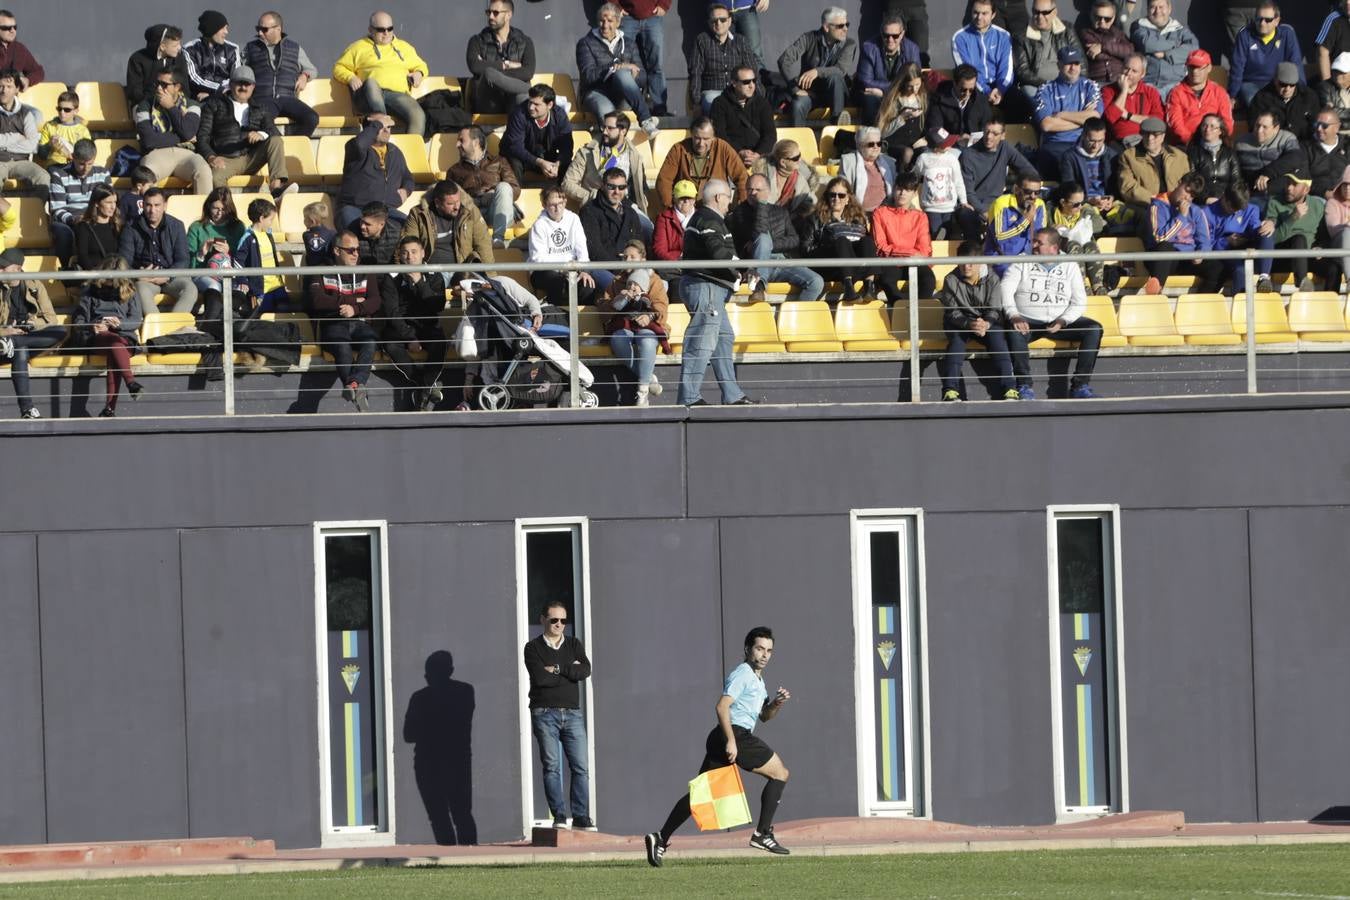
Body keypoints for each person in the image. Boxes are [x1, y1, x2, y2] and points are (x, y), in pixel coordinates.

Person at [644, 625, 791, 867]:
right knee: (780, 773)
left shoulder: (758, 679)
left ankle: (659, 838)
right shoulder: (743, 673)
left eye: (769, 651)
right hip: (734, 736)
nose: (764, 654)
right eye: (759, 649)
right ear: (747, 649)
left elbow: (764, 716)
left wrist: (776, 703)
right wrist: (732, 740)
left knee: (700, 795)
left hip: (724, 737)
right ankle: (762, 834)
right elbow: (722, 706)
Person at [1001, 227, 1103, 399]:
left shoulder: (1070, 264)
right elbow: (1005, 290)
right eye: (1033, 241)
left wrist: (1064, 320)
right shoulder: (1021, 261)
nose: (1033, 245)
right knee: (1013, 330)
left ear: (1054, 248)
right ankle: (1024, 386)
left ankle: (1080, 386)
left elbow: (1080, 302)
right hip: (1027, 321)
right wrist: (1014, 315)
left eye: (1039, 243)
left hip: (1059, 323)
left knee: (1094, 329)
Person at [679, 179, 751, 406]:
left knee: (723, 337)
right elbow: (717, 252)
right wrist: (741, 267)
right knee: (702, 341)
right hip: (705, 287)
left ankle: (732, 395)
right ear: (719, 198)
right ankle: (688, 398)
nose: (730, 203)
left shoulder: (707, 219)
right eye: (728, 197)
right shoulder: (708, 219)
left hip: (711, 289)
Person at [523, 601, 593, 830]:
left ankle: (581, 816)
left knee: (581, 766)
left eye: (563, 620)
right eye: (554, 620)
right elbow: (541, 680)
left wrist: (557, 668)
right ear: (543, 619)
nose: (559, 624)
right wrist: (569, 671)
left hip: (572, 713)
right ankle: (560, 816)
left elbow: (585, 670)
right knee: (552, 766)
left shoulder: (574, 644)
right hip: (544, 713)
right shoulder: (532, 648)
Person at [309, 230, 382, 411]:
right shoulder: (320, 269)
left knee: (371, 341)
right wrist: (351, 301)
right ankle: (357, 388)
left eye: (357, 249)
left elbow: (375, 301)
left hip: (359, 322)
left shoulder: (365, 270)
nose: (356, 254)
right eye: (350, 250)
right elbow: (316, 301)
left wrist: (356, 309)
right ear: (336, 251)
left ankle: (353, 385)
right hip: (333, 323)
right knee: (342, 347)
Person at [377, 235, 451, 411]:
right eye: (405, 253)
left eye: (414, 252)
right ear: (400, 256)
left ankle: (421, 392)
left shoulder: (434, 274)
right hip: (402, 327)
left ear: (423, 253)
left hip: (427, 326)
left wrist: (419, 282)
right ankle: (424, 386)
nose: (409, 257)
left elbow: (437, 305)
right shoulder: (391, 277)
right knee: (391, 345)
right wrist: (409, 337)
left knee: (440, 344)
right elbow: (392, 312)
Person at [937, 240, 1016, 401]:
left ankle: (1010, 389)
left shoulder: (993, 278)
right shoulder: (950, 280)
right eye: (963, 262)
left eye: (972, 263)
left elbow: (995, 308)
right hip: (960, 323)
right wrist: (969, 324)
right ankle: (950, 391)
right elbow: (953, 313)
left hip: (986, 322)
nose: (967, 267)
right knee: (956, 343)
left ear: (980, 263)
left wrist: (985, 323)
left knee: (998, 340)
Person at [195, 66, 293, 196]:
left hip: (251, 157)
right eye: (239, 83)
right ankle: (228, 210)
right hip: (225, 159)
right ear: (231, 84)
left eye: (247, 84)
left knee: (275, 141)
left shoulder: (260, 108)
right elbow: (202, 136)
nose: (243, 88)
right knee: (215, 176)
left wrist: (261, 134)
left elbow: (274, 132)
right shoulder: (214, 105)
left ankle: (276, 190)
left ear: (253, 87)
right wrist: (211, 157)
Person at [727, 173, 824, 303]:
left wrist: (771, 244)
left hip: (780, 262)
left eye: (758, 190)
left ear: (768, 191)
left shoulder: (780, 211)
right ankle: (759, 287)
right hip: (753, 264)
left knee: (816, 282)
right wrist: (761, 205)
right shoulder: (738, 213)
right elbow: (759, 231)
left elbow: (794, 240)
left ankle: (796, 318)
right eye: (749, 189)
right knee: (763, 238)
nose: (753, 193)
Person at [332, 11, 429, 137]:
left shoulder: (405, 48)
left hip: (396, 96)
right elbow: (338, 67)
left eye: (390, 29)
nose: (386, 33)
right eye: (381, 30)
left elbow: (422, 66)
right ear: (370, 30)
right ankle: (381, 135)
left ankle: (409, 152)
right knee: (372, 83)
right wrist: (350, 77)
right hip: (367, 95)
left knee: (418, 115)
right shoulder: (358, 47)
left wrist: (419, 74)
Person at [73, 256, 145, 417]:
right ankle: (130, 383)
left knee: (115, 349)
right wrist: (92, 326)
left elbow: (136, 320)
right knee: (114, 344)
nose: (110, 284)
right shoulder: (89, 291)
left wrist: (119, 324)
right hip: (99, 336)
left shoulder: (131, 291)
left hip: (123, 336)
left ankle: (109, 410)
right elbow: (78, 320)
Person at [575, 3, 660, 138]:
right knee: (609, 114)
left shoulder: (629, 43)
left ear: (618, 22)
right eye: (602, 20)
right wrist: (614, 67)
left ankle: (645, 121)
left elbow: (643, 78)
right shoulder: (585, 43)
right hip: (596, 93)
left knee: (622, 74)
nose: (605, 25)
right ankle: (614, 152)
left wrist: (633, 75)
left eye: (610, 21)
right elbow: (588, 76)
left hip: (622, 95)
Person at [595, 254, 668, 405]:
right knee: (618, 339)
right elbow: (605, 308)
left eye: (637, 285)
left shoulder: (649, 291)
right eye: (630, 284)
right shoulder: (617, 286)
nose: (633, 287)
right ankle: (647, 378)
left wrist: (649, 316)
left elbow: (659, 308)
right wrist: (619, 300)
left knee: (648, 341)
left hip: (646, 327)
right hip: (624, 326)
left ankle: (642, 393)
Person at [0, 248, 64, 419]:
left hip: (25, 338)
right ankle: (27, 410)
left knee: (60, 331)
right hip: (2, 343)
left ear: (17, 269)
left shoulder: (34, 284)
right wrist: (5, 331)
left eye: (3, 267)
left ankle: (14, 343)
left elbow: (51, 319)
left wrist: (33, 324)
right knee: (20, 351)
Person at [958, 113, 1038, 240]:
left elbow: (1029, 171)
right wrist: (984, 212)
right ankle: (976, 253)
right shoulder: (968, 155)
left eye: (995, 134)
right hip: (975, 206)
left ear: (1003, 136)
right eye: (987, 132)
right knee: (965, 215)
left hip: (1000, 204)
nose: (989, 137)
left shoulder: (1005, 148)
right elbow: (968, 192)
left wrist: (1019, 189)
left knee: (1033, 204)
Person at [1141, 172, 1223, 295]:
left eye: (1192, 195)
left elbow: (1205, 240)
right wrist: (1181, 217)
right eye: (1187, 190)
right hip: (1161, 258)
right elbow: (1159, 237)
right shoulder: (1158, 206)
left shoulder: (1196, 211)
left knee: (1218, 268)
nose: (1187, 197)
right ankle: (1156, 292)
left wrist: (1200, 254)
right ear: (1179, 183)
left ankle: (1199, 303)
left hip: (1186, 259)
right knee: (1165, 247)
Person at [132, 71, 213, 196]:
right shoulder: (144, 106)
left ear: (177, 87)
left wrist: (171, 107)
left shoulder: (192, 105)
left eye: (164, 85)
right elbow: (149, 141)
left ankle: (205, 214)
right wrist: (181, 138)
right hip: (156, 154)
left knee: (204, 171)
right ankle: (150, 213)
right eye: (157, 83)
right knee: (145, 176)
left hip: (186, 154)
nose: (159, 88)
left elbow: (188, 131)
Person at [118, 188, 196, 314]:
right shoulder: (130, 227)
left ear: (165, 205)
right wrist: (139, 274)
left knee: (190, 289)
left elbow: (183, 259)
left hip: (171, 277)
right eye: (148, 205)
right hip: (144, 279)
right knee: (141, 291)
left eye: (157, 205)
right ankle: (158, 328)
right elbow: (124, 260)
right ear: (142, 205)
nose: (152, 210)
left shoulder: (177, 225)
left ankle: (173, 328)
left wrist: (167, 275)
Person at [243, 10, 320, 138]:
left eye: (264, 29)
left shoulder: (294, 48)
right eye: (258, 28)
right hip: (262, 98)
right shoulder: (251, 48)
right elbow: (241, 70)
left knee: (312, 118)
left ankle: (294, 146)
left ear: (278, 29)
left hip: (287, 98)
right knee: (262, 119)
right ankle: (281, 147)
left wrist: (304, 76)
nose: (259, 33)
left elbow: (312, 70)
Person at [778, 7, 859, 126]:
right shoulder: (808, 38)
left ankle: (838, 122)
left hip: (837, 95)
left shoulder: (849, 44)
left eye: (847, 24)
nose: (845, 29)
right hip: (812, 93)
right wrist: (795, 89)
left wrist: (817, 71)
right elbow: (784, 60)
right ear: (826, 27)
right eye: (840, 26)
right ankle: (797, 141)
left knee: (835, 77)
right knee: (798, 104)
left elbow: (841, 70)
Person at [562, 111, 650, 218]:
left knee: (648, 228)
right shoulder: (586, 152)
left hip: (626, 208)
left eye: (610, 128)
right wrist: (590, 196)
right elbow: (567, 183)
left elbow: (642, 188)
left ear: (623, 131)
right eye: (604, 127)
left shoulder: (635, 156)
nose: (604, 131)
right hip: (596, 208)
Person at [1033, 46, 1104, 177]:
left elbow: (1095, 117)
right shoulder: (1045, 89)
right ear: (1059, 65)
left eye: (1076, 63)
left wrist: (1062, 115)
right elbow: (1047, 125)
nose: (1073, 68)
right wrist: (1083, 122)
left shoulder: (1090, 86)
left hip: (1085, 143)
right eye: (1068, 63)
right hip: (1056, 144)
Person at [335, 114, 413, 232]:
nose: (386, 130)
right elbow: (360, 143)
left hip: (385, 210)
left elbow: (408, 177)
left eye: (389, 126)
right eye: (381, 126)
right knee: (357, 230)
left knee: (410, 228)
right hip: (356, 209)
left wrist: (406, 191)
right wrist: (378, 123)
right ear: (370, 129)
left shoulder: (395, 151)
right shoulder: (355, 147)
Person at [448, 125, 521, 249]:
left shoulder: (499, 162)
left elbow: (515, 189)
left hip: (499, 211)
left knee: (504, 187)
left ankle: (498, 239)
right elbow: (450, 199)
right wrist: (478, 199)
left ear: (475, 142)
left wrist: (494, 195)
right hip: (474, 214)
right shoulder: (454, 171)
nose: (457, 145)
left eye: (461, 140)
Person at [806, 176, 878, 301]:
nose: (836, 199)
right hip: (831, 265)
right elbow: (806, 248)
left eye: (841, 195)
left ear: (848, 198)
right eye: (832, 195)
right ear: (827, 197)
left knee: (867, 241)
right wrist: (828, 246)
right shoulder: (816, 218)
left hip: (856, 265)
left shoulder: (859, 218)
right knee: (842, 241)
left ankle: (869, 287)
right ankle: (848, 288)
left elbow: (865, 248)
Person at [871, 173, 936, 305]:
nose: (902, 193)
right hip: (891, 262)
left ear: (914, 193)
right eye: (899, 188)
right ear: (894, 189)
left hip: (915, 262)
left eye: (908, 190)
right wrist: (910, 253)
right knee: (887, 280)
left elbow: (925, 248)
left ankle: (918, 313)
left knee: (929, 280)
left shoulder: (920, 216)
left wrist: (915, 256)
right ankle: (900, 313)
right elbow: (880, 246)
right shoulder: (880, 213)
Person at [527, 186, 597, 308]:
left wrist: (584, 270)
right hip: (543, 271)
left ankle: (583, 322)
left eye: (560, 203)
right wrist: (564, 267)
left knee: (587, 285)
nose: (557, 208)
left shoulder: (574, 219)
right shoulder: (539, 225)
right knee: (559, 283)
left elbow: (581, 248)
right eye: (552, 205)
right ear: (544, 205)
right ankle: (558, 317)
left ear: (565, 202)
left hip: (572, 268)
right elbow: (537, 259)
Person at [656, 117, 749, 209]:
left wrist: (742, 206)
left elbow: (742, 176)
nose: (701, 143)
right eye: (697, 138)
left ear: (713, 137)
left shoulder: (723, 148)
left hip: (715, 208)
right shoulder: (678, 149)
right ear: (691, 134)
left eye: (706, 139)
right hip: (685, 208)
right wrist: (670, 208)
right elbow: (664, 180)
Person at [1255, 173, 1325, 294]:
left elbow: (1324, 234)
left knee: (1333, 268)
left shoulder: (1317, 205)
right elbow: (1272, 239)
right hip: (1283, 257)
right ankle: (1302, 282)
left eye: (1294, 184)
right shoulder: (1275, 202)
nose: (1289, 188)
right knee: (1299, 238)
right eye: (1288, 183)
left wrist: (1320, 246)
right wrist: (1293, 218)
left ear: (1306, 189)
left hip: (1309, 257)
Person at [403, 180, 495, 270]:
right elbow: (408, 245)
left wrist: (490, 277)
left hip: (463, 272)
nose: (456, 207)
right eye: (450, 204)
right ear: (437, 203)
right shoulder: (418, 214)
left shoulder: (470, 211)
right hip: (431, 273)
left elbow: (483, 243)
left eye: (458, 201)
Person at [47, 140, 111, 268]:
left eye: (90, 164)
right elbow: (57, 209)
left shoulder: (103, 173)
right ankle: (68, 270)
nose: (86, 168)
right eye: (81, 164)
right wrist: (73, 219)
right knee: (63, 233)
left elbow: (108, 202)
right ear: (73, 157)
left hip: (95, 219)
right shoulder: (58, 174)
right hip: (70, 221)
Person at [578, 167, 644, 291]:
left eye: (621, 187)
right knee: (621, 289)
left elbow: (639, 246)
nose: (616, 191)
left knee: (661, 285)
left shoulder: (631, 213)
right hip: (602, 268)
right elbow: (594, 250)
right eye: (611, 187)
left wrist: (632, 267)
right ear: (603, 186)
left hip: (629, 268)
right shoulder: (589, 211)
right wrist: (620, 268)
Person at [465, 0, 536, 115]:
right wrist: (506, 64)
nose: (491, 16)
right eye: (489, 12)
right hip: (488, 100)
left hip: (514, 98)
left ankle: (535, 96)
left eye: (496, 13)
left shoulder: (525, 42)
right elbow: (475, 66)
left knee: (522, 99)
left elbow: (528, 72)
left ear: (508, 15)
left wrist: (494, 73)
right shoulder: (477, 41)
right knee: (488, 73)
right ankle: (538, 94)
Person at [689, 4, 760, 116]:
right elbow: (695, 73)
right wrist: (696, 103)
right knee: (717, 105)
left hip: (737, 92)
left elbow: (753, 71)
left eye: (722, 20)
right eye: (714, 20)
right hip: (712, 93)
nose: (718, 23)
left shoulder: (741, 41)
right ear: (709, 23)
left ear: (729, 21)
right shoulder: (702, 40)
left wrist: (760, 98)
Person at [1229, 2, 1303, 108]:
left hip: (1278, 83)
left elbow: (1296, 64)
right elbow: (1237, 68)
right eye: (1259, 19)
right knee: (1255, 102)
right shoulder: (1244, 35)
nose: (1262, 23)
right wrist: (1232, 95)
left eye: (1268, 20)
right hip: (1250, 83)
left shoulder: (1287, 33)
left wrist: (1302, 91)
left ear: (1277, 21)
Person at [501, 83, 574, 184]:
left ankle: (560, 196)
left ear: (550, 105)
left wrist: (558, 164)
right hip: (523, 157)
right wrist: (540, 162)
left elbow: (567, 147)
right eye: (530, 102)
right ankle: (514, 195)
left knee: (568, 165)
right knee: (513, 162)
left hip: (547, 157)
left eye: (536, 104)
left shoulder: (560, 116)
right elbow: (515, 147)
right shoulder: (518, 114)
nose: (531, 107)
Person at [857, 15, 921, 125]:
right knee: (870, 98)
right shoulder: (869, 48)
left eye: (895, 36)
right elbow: (865, 81)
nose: (890, 40)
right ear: (881, 33)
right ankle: (873, 135)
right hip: (876, 96)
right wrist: (895, 88)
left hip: (896, 93)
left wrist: (884, 92)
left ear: (902, 34)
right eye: (886, 36)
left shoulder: (912, 49)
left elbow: (914, 78)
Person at [1016, 1, 1084, 103]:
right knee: (1028, 90)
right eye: (1036, 12)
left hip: (1067, 83)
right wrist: (1049, 85)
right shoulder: (1022, 35)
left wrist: (1076, 84)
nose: (1039, 16)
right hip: (1038, 87)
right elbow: (1022, 71)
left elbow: (1081, 61)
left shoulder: (1067, 30)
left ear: (1054, 12)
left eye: (1045, 12)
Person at [710, 66, 776, 170]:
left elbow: (770, 134)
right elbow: (719, 134)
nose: (752, 85)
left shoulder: (762, 103)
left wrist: (757, 154)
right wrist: (739, 151)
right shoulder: (720, 103)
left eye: (754, 81)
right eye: (746, 82)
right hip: (730, 158)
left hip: (759, 159)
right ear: (734, 83)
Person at [1128, 0, 1195, 99]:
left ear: (1169, 9)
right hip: (1148, 82)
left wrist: (1166, 54)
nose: (1157, 11)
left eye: (1161, 7)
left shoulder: (1180, 30)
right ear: (1147, 9)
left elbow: (1192, 50)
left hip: (1175, 84)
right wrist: (1175, 45)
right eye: (1153, 7)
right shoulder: (1139, 26)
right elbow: (1148, 44)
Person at [1059, 119, 1119, 228]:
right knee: (1092, 221)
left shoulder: (1112, 155)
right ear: (1083, 135)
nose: (1096, 146)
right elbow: (1068, 187)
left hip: (1107, 202)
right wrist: (1089, 200)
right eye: (1092, 140)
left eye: (1100, 141)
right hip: (1083, 202)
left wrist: (1111, 197)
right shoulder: (1069, 156)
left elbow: (1116, 184)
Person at [1118, 116, 1190, 208]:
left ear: (1163, 136)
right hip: (1145, 207)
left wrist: (1177, 199)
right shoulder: (1128, 156)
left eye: (1155, 135)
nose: (1150, 138)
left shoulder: (1180, 156)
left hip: (1176, 205)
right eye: (1146, 134)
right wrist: (1155, 200)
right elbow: (1127, 187)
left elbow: (1187, 183)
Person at [952, 0, 1014, 106]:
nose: (979, 17)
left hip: (1000, 88)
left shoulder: (1004, 36)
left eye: (984, 13)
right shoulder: (959, 38)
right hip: (974, 88)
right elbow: (967, 73)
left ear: (993, 15)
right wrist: (987, 91)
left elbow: (1006, 69)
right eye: (976, 12)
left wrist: (1000, 90)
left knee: (1021, 102)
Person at [1165, 50, 1234, 145]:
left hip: (1214, 143)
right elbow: (1175, 125)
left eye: (1199, 67)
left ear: (1209, 68)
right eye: (1191, 67)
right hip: (1186, 145)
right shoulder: (1175, 93)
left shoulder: (1219, 92)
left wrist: (1216, 140)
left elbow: (1227, 123)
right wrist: (1192, 142)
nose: (1195, 71)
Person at [234, 198, 290, 314]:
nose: (271, 223)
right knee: (264, 319)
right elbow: (238, 262)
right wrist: (242, 280)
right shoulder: (248, 238)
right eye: (270, 220)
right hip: (260, 290)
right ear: (261, 218)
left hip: (277, 285)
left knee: (284, 314)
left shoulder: (268, 234)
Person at [1207, 179, 1263, 294]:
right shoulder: (1207, 213)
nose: (1235, 212)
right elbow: (1207, 246)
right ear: (1224, 198)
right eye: (1232, 208)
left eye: (1238, 210)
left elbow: (1256, 232)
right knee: (1241, 270)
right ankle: (1240, 308)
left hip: (1246, 250)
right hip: (1221, 255)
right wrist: (1226, 241)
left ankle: (1264, 276)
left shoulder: (1251, 209)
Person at [985, 172, 1047, 275]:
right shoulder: (1002, 204)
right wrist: (1025, 221)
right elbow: (999, 237)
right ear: (1017, 189)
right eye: (1028, 192)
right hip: (1001, 260)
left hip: (1028, 260)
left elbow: (1040, 235)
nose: (1033, 196)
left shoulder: (1040, 205)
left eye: (1037, 192)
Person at [186, 187, 246, 293]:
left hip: (232, 275)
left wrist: (229, 251)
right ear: (208, 206)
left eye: (224, 210)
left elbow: (245, 257)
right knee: (214, 287)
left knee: (238, 288)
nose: (219, 213)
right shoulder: (196, 228)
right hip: (203, 275)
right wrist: (201, 254)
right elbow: (187, 262)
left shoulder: (238, 227)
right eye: (215, 208)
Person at [1051, 180, 1107, 293]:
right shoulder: (1051, 212)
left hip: (1084, 248)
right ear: (1063, 202)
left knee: (1091, 245)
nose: (1080, 206)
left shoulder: (1084, 209)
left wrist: (1084, 222)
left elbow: (1099, 225)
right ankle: (1080, 285)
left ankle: (1098, 286)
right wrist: (1053, 228)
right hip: (1061, 251)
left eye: (1082, 202)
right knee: (1074, 245)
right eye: (1076, 204)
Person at [619, 0, 672, 117]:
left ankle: (659, 109)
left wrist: (664, 5)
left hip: (653, 16)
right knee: (622, 64)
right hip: (627, 17)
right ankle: (623, 110)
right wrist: (615, 5)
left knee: (656, 64)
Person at [912, 127, 967, 237]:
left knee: (948, 233)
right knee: (934, 233)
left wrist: (963, 201)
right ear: (936, 148)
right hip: (931, 207)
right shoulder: (923, 158)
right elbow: (915, 176)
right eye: (946, 143)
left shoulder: (952, 159)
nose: (950, 145)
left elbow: (958, 180)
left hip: (950, 207)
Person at [1235, 110, 1306, 196]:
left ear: (1276, 129)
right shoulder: (1241, 142)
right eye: (1257, 125)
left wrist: (1267, 174)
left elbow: (1295, 158)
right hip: (1250, 190)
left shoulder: (1286, 139)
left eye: (1265, 127)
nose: (1259, 130)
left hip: (1278, 191)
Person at [1101, 52, 1163, 145]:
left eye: (1134, 71)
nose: (1128, 73)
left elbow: (1157, 122)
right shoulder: (1108, 90)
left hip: (1145, 140)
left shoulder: (1151, 92)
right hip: (1118, 142)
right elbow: (1109, 118)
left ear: (1142, 74)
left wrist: (1128, 115)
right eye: (1126, 68)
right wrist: (1124, 91)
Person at [0, 69, 47, 188]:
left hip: (21, 162)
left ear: (16, 89)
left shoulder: (26, 114)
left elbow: (32, 145)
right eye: (0, 86)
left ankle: (37, 207)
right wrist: (17, 137)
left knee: (43, 177)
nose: (3, 90)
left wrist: (4, 145)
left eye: (9, 86)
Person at [875, 62, 928, 169]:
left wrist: (926, 139)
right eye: (910, 86)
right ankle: (901, 180)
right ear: (902, 83)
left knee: (925, 151)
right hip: (894, 144)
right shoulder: (893, 101)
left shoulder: (923, 99)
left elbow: (930, 125)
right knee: (907, 153)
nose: (914, 90)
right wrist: (902, 118)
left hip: (915, 143)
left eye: (917, 85)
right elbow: (882, 132)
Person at [1249, 63, 1318, 143]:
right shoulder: (1262, 98)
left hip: (1303, 145)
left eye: (1292, 85)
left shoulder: (1309, 96)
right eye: (1283, 84)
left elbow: (1315, 123)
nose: (1287, 89)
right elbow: (1254, 125)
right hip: (1272, 146)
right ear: (1275, 81)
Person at [924, 64, 991, 147]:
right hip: (947, 147)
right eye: (963, 90)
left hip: (974, 148)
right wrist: (956, 139)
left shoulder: (981, 100)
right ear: (954, 83)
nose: (967, 94)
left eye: (971, 90)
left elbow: (988, 125)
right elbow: (935, 129)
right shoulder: (939, 99)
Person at [756, 139, 820, 221]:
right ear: (782, 162)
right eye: (796, 158)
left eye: (799, 155)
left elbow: (810, 202)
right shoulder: (762, 179)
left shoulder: (803, 178)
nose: (800, 160)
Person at [126, 25, 189, 109]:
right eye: (175, 45)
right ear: (162, 46)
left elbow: (184, 87)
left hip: (174, 103)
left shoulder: (179, 58)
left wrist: (172, 102)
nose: (179, 48)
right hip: (145, 104)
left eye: (179, 44)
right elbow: (134, 92)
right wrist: (156, 101)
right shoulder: (137, 59)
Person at [839, 126, 897, 214]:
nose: (876, 147)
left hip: (886, 213)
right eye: (871, 144)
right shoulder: (849, 162)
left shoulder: (889, 162)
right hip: (860, 213)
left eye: (879, 143)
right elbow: (843, 189)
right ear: (860, 146)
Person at [1077, 0, 1134, 85]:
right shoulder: (1085, 33)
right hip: (1097, 81)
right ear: (1091, 16)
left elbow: (1129, 51)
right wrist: (1117, 52)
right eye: (1098, 17)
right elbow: (1096, 55)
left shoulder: (1118, 33)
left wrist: (1102, 47)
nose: (1102, 22)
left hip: (1118, 79)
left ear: (1113, 18)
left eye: (1107, 19)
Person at [1188, 114, 1240, 204]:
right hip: (1202, 201)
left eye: (1212, 127)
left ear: (1220, 131)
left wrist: (1228, 199)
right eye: (1204, 125)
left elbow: (1236, 180)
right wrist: (1205, 199)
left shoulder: (1229, 153)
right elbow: (1192, 181)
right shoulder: (1193, 152)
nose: (1207, 129)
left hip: (1226, 200)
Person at [74, 184, 121, 273]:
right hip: (94, 277)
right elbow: (83, 257)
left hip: (115, 277)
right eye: (108, 202)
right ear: (96, 204)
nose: (113, 206)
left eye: (114, 202)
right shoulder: (84, 227)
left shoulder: (117, 226)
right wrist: (97, 276)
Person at [37, 91, 91, 167]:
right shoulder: (49, 126)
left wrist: (71, 155)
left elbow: (87, 155)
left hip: (75, 167)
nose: (62, 112)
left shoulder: (82, 130)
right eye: (59, 109)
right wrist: (50, 145)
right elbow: (41, 155)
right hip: (54, 165)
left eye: (67, 110)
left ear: (76, 111)